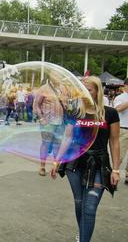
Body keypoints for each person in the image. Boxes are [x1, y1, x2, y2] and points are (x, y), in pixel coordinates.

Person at [50, 76, 120, 242]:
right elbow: (67, 137)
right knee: (79, 203)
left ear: (97, 91)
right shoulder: (76, 112)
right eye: (82, 89)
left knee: (89, 207)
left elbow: (115, 141)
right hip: (75, 163)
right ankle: (83, 231)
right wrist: (56, 160)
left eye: (88, 89)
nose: (84, 93)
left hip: (99, 164)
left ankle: (83, 239)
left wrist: (116, 169)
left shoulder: (110, 113)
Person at [33, 73, 67, 176]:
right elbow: (36, 105)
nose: (58, 77)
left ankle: (55, 166)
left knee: (58, 144)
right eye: (55, 75)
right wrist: (41, 118)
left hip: (61, 121)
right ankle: (42, 167)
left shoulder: (63, 88)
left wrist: (66, 105)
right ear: (51, 77)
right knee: (46, 143)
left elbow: (67, 103)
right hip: (47, 121)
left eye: (59, 75)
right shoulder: (44, 89)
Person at [113, 78, 128, 184]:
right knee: (120, 155)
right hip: (123, 129)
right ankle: (115, 175)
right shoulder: (120, 97)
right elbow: (117, 109)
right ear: (125, 85)